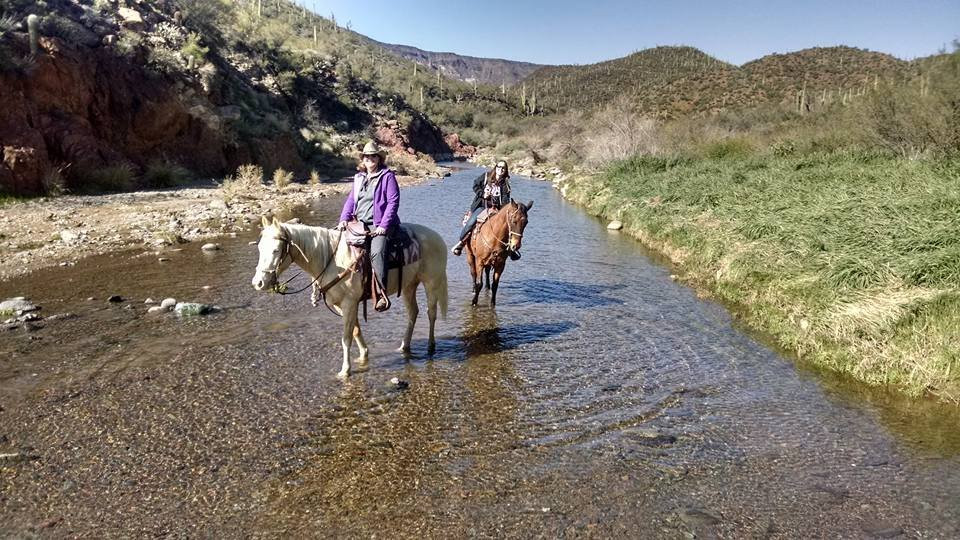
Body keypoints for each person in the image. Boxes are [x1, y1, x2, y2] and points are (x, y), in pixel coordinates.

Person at [336, 141, 399, 311]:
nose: (369, 159)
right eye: (366, 156)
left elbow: (393, 202)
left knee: (377, 252)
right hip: (360, 224)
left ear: (378, 159)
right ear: (362, 160)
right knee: (340, 246)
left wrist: (384, 226)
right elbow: (351, 200)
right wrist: (344, 218)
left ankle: (380, 294)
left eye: (373, 156)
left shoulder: (387, 176)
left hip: (379, 225)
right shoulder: (359, 178)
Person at [451, 159, 517, 259]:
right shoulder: (486, 176)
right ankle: (461, 243)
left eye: (503, 168)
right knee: (471, 222)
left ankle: (511, 249)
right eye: (499, 167)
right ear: (496, 167)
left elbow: (505, 199)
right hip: (482, 206)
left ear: (506, 170)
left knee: (509, 225)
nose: (501, 169)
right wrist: (483, 194)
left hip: (497, 209)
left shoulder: (505, 184)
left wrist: (504, 209)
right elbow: (475, 185)